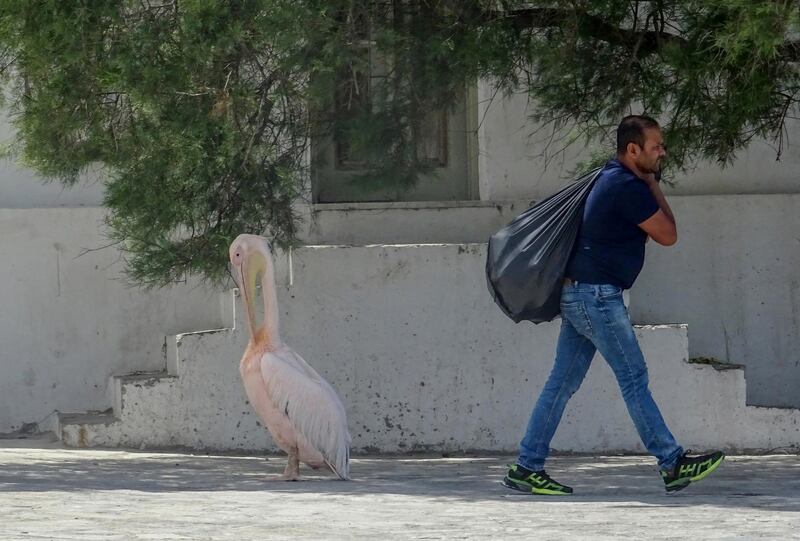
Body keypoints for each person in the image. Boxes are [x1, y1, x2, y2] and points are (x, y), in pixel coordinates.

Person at [503, 115, 724, 495]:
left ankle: (527, 465)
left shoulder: (608, 176)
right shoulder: (626, 186)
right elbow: (668, 234)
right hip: (597, 298)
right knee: (633, 378)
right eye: (656, 147)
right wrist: (652, 183)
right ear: (632, 149)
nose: (663, 153)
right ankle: (671, 463)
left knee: (561, 384)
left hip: (581, 294)